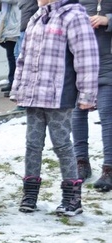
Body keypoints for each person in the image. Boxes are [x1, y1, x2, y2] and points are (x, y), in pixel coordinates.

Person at [11, 0, 98, 216]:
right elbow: (23, 58)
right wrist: (18, 88)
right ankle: (30, 194)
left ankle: (72, 197)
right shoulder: (36, 18)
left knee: (61, 144)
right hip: (33, 95)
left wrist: (87, 94)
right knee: (32, 144)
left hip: (59, 95)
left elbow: (86, 57)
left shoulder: (74, 16)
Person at [70, 0, 112, 191]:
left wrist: (107, 19)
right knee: (77, 114)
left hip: (108, 65)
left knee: (107, 114)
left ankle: (109, 169)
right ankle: (81, 163)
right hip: (82, 63)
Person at [0, 0, 21, 97]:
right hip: (9, 26)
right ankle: (11, 82)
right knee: (10, 56)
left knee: (17, 56)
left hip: (18, 26)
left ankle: (16, 84)